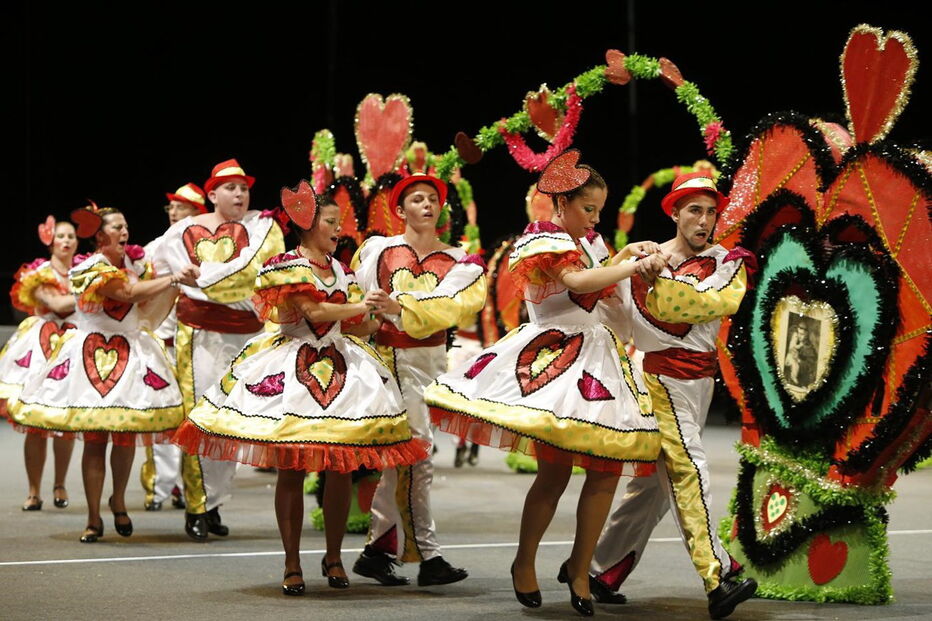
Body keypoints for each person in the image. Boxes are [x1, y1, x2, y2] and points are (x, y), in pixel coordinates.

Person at [424, 149, 663, 616]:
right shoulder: (542, 240)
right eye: (587, 209)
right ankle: (524, 561)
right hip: (554, 358)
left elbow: (601, 287)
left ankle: (579, 568)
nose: (594, 218)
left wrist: (625, 257)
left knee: (606, 470)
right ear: (561, 204)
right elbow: (576, 281)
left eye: (599, 210)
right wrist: (629, 264)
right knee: (553, 472)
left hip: (601, 360)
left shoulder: (592, 244)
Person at [173, 182, 428, 594]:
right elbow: (314, 310)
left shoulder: (342, 270)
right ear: (308, 223)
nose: (339, 229)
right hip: (294, 368)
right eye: (331, 221)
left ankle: (333, 557)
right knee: (291, 468)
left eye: (339, 222)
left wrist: (379, 314)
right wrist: (360, 307)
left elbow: (352, 325)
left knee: (340, 466)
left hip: (341, 368)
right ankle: (292, 563)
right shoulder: (286, 265)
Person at [587, 172, 758, 619]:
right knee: (688, 472)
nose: (704, 221)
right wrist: (630, 264)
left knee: (651, 486)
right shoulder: (645, 259)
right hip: (660, 381)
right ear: (675, 213)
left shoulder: (727, 261)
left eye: (711, 213)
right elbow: (619, 319)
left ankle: (599, 572)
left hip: (699, 384)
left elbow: (703, 303)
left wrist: (651, 274)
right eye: (695, 210)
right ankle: (717, 576)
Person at [9, 204, 198, 542]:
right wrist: (172, 278)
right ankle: (94, 516)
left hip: (130, 352)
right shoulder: (88, 268)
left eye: (126, 226)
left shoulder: (138, 264)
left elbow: (148, 303)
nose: (124, 232)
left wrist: (175, 280)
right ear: (99, 236)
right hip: (90, 355)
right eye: (117, 228)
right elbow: (125, 293)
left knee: (124, 436)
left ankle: (119, 500)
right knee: (95, 441)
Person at [350, 172, 486, 587]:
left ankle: (376, 551)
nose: (426, 205)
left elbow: (455, 308)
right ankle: (429, 556)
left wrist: (400, 303)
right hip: (390, 359)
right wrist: (374, 309)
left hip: (432, 362)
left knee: (402, 462)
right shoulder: (379, 250)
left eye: (432, 199)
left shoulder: (461, 260)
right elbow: (356, 297)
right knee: (417, 458)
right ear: (399, 209)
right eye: (416, 200)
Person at [151, 159, 286, 540]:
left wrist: (206, 277)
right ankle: (196, 506)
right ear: (211, 194)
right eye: (231, 188)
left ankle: (213, 503)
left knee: (233, 422)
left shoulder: (261, 227)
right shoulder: (181, 231)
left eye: (244, 188)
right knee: (199, 419)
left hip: (247, 337)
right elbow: (155, 265)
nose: (240, 194)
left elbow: (259, 271)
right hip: (200, 336)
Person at [0, 217, 77, 511]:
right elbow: (57, 306)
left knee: (64, 422)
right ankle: (33, 490)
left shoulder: (82, 272)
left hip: (72, 348)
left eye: (71, 236)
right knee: (35, 424)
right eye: (61, 236)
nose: (66, 241)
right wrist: (93, 291)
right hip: (42, 347)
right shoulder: (38, 273)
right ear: (50, 241)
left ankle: (60, 484)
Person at [139, 182, 207, 512]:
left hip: (200, 347)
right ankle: (160, 486)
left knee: (194, 420)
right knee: (163, 417)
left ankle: (189, 487)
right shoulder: (154, 248)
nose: (175, 213)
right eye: (172, 208)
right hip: (163, 347)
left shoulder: (211, 250)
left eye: (183, 208)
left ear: (199, 215)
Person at [783, 321, 817, 387]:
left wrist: (799, 360)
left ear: (806, 334)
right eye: (798, 333)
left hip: (802, 378)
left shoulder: (808, 346)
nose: (799, 336)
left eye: (802, 334)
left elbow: (810, 365)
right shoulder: (794, 340)